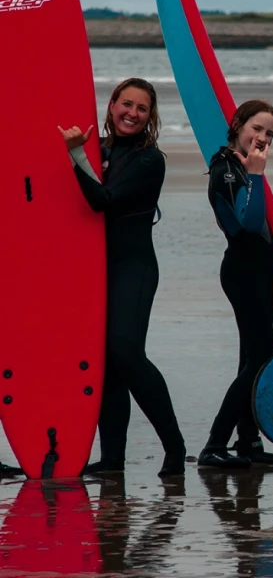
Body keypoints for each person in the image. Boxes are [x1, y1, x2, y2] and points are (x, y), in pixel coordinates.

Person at [58, 77, 185, 476]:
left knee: (126, 353)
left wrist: (76, 153)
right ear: (112, 105)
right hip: (96, 271)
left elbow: (103, 201)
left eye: (141, 108)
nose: (132, 113)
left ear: (151, 117)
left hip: (135, 267)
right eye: (125, 104)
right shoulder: (102, 149)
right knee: (106, 362)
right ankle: (113, 460)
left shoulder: (150, 160)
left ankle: (175, 447)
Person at [199, 99, 273, 469]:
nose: (261, 137)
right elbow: (246, 221)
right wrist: (256, 175)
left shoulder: (241, 166)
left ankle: (248, 444)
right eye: (256, 128)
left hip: (258, 270)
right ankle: (214, 445)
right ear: (238, 125)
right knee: (259, 362)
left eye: (269, 133)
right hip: (243, 271)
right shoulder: (226, 169)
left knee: (251, 360)